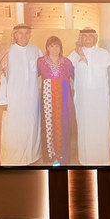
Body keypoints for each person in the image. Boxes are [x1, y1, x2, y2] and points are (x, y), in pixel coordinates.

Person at [0, 24, 42, 165]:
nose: (24, 37)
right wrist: (3, 100)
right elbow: (0, 78)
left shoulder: (35, 50)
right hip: (14, 99)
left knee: (31, 127)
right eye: (20, 33)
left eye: (27, 33)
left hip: (32, 98)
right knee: (14, 130)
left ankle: (32, 156)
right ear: (14, 35)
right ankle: (13, 160)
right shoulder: (6, 52)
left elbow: (43, 68)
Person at [68, 28, 110, 165]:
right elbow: (62, 67)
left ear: (95, 38)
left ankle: (102, 160)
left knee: (100, 129)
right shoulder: (74, 55)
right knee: (85, 128)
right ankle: (85, 159)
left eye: (90, 36)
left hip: (100, 100)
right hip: (83, 101)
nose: (87, 39)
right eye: (84, 36)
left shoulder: (104, 53)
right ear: (81, 38)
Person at [38, 36, 75, 165]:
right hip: (47, 98)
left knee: (63, 124)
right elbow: (30, 75)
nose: (54, 49)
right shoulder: (41, 61)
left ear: (60, 48)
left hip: (64, 99)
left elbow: (77, 77)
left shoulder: (67, 62)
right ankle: (50, 154)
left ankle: (62, 155)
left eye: (57, 46)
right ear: (47, 48)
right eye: (51, 46)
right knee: (49, 124)